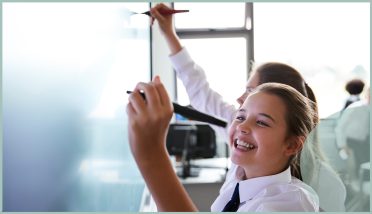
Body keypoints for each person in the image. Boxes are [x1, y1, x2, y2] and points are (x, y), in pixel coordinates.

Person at [149, 3, 345, 211]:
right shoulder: (244, 145)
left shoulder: (303, 196)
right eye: (241, 116)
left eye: (251, 91)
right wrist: (169, 33)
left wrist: (150, 152)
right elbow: (200, 93)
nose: (240, 98)